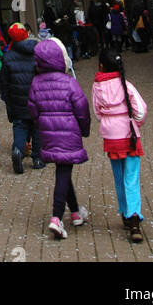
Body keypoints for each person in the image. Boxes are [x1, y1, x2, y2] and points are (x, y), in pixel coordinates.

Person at [28, 36, 90, 239]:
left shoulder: (36, 83)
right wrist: (84, 129)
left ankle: (75, 213)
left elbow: (33, 110)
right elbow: (82, 108)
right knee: (63, 173)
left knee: (64, 170)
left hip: (48, 133)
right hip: (69, 133)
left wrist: (41, 126)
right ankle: (56, 217)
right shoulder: (69, 82)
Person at [92, 46, 148, 243]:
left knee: (118, 177)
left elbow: (97, 112)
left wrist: (108, 122)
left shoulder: (97, 86)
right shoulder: (126, 84)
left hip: (111, 137)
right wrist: (135, 123)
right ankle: (134, 217)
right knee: (131, 177)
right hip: (130, 134)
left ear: (101, 66)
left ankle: (125, 212)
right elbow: (141, 110)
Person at [0, 24, 44, 174]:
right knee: (37, 127)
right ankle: (37, 158)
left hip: (17, 100)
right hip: (36, 98)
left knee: (20, 127)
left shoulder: (8, 57)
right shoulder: (37, 51)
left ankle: (18, 151)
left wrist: (7, 98)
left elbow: (4, 82)